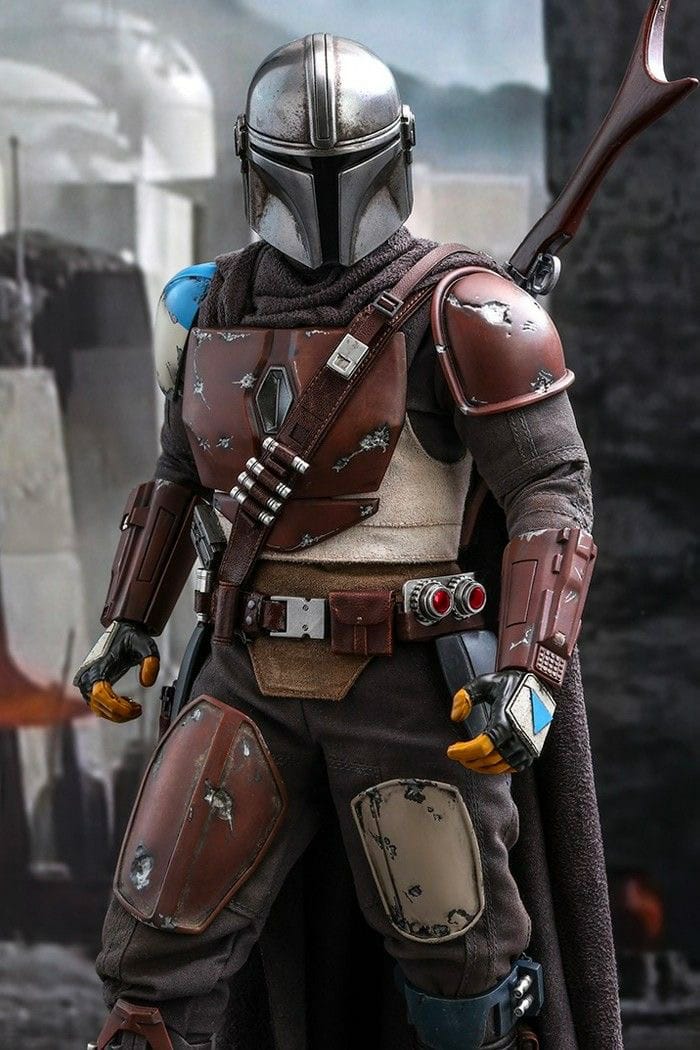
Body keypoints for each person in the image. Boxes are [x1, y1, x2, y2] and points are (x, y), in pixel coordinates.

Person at [75, 34, 622, 1050]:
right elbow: (180, 476)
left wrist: (530, 672)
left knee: (459, 970)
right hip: (246, 674)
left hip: (406, 687)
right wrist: (129, 623)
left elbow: (551, 491)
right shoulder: (209, 305)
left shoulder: (466, 311)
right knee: (154, 959)